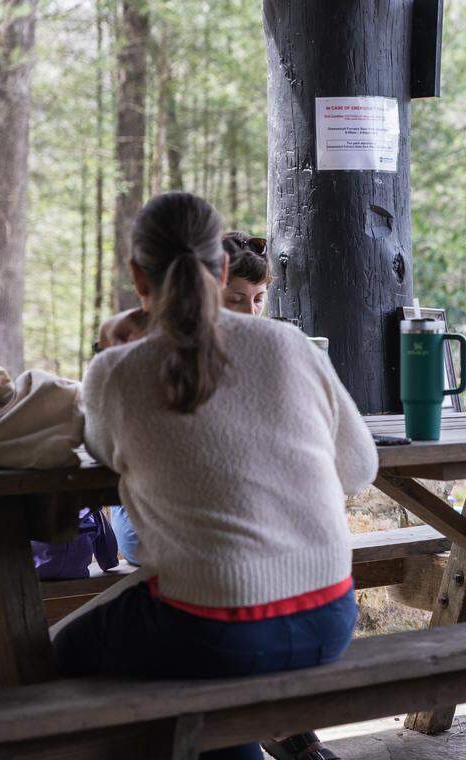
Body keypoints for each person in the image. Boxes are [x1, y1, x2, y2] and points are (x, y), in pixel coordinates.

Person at [57, 192, 378, 760]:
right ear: (224, 267)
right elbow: (359, 468)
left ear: (137, 275)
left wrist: (114, 348)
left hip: (208, 626)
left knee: (47, 659)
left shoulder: (117, 369)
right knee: (201, 661)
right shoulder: (290, 344)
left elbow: (105, 452)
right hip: (329, 616)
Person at [108, 231, 274, 567]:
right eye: (236, 299)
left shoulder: (267, 352)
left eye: (258, 298)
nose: (251, 312)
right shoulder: (163, 351)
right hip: (155, 520)